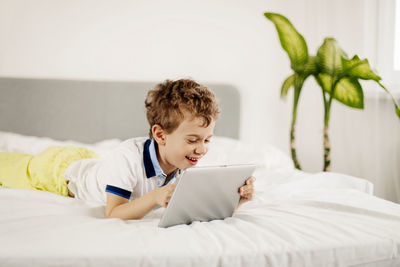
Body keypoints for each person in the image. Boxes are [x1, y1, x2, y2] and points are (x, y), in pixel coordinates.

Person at [0, 79, 255, 220]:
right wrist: (156, 197)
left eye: (207, 140)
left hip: (91, 162)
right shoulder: (128, 158)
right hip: (57, 172)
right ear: (160, 135)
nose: (201, 150)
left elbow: (198, 209)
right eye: (193, 140)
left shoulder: (184, 163)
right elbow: (114, 213)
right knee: (9, 167)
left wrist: (236, 200)